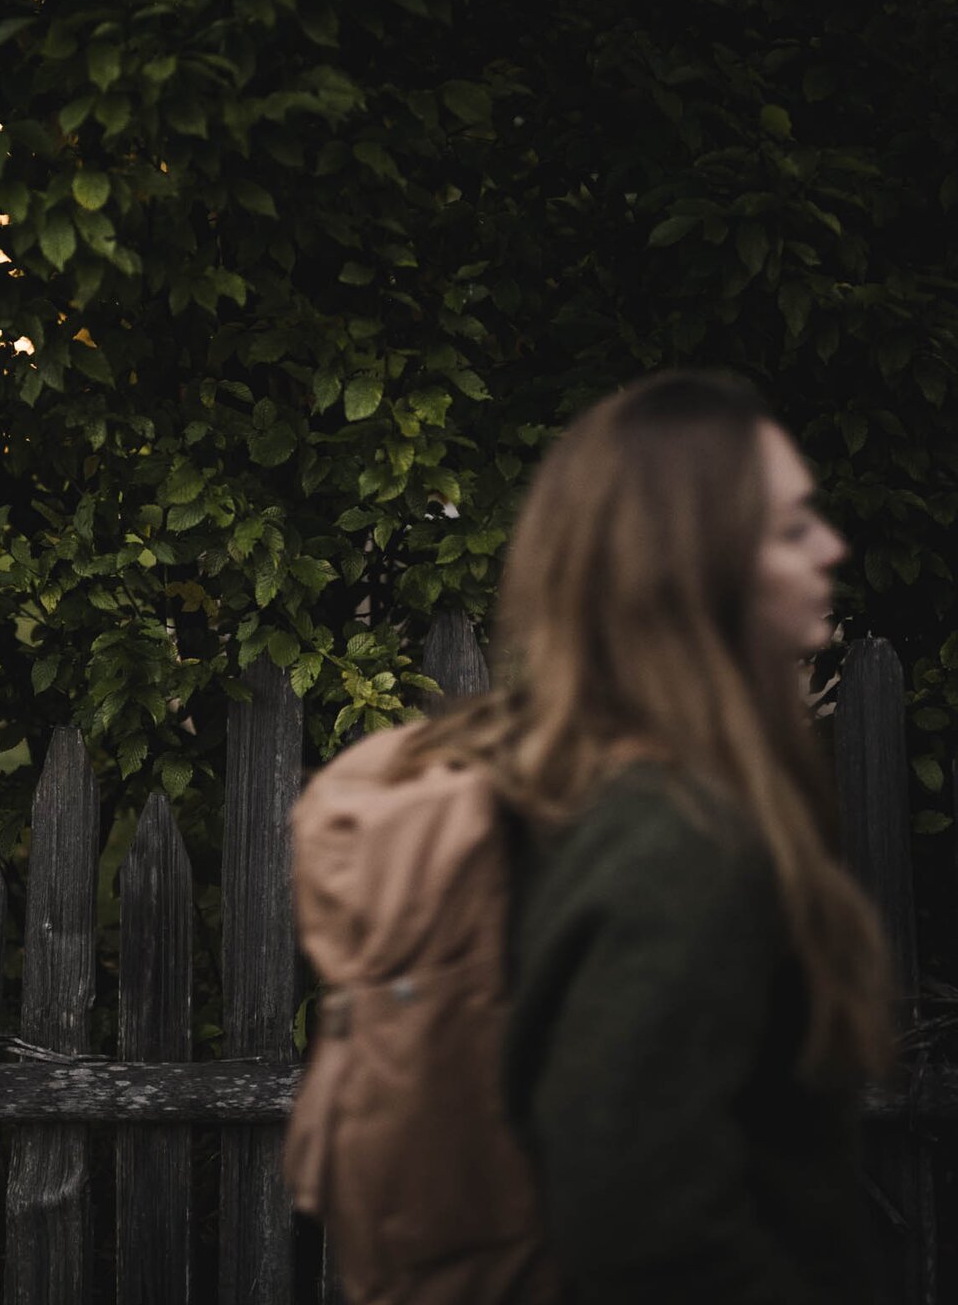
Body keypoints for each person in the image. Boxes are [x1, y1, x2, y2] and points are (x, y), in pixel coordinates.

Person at [293, 371, 895, 1304]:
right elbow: (639, 1222)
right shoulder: (678, 838)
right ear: (690, 566)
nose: (832, 548)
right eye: (789, 528)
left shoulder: (561, 785)